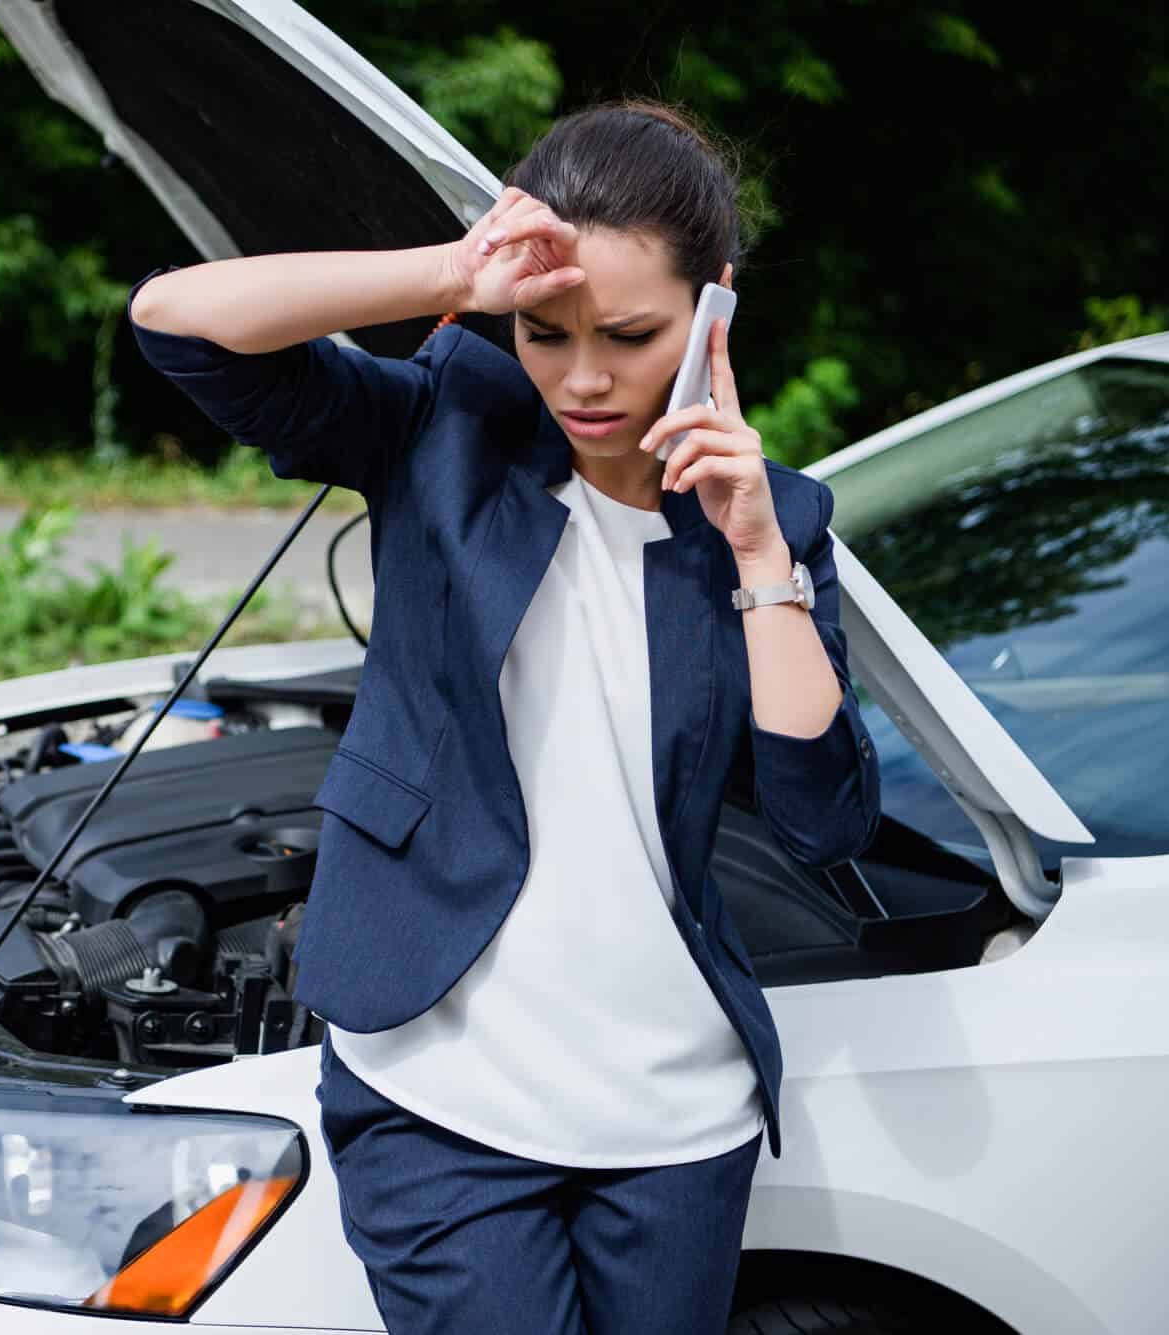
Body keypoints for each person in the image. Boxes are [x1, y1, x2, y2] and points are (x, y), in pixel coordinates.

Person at [124, 98, 881, 1335]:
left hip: (673, 1119)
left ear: (713, 312)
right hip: (438, 1088)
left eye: (630, 337)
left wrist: (756, 561)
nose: (582, 378)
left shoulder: (774, 522)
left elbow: (824, 822)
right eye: (544, 331)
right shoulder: (444, 428)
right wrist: (447, 272)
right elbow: (178, 325)